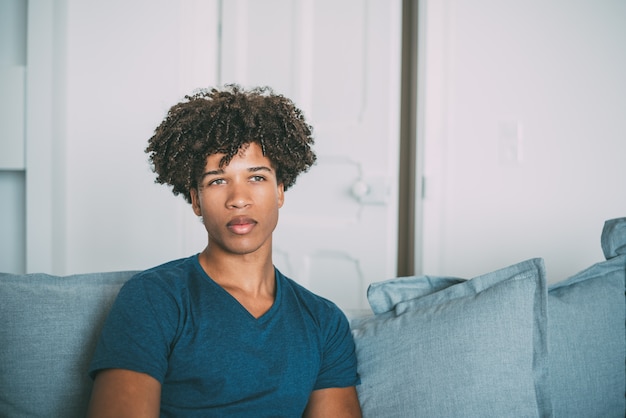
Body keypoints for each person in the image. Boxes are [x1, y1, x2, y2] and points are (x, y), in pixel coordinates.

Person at [86, 84, 362, 417]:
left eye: (256, 178)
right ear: (195, 200)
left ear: (280, 192)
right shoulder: (154, 299)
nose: (238, 198)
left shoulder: (323, 321)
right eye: (217, 180)